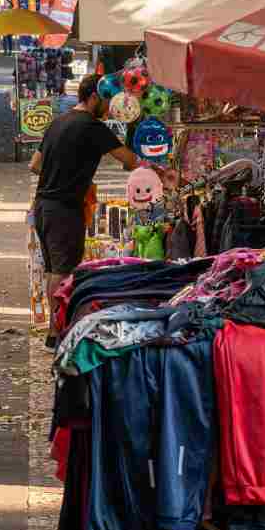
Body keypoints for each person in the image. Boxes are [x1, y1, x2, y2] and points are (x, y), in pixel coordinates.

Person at [29, 74, 176, 349]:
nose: (110, 108)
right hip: (64, 208)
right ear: (94, 97)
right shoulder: (92, 127)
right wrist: (161, 169)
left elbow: (35, 165)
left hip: (44, 206)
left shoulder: (58, 122)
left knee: (53, 269)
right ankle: (57, 332)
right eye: (107, 101)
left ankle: (55, 329)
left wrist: (70, 173)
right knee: (62, 272)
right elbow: (131, 161)